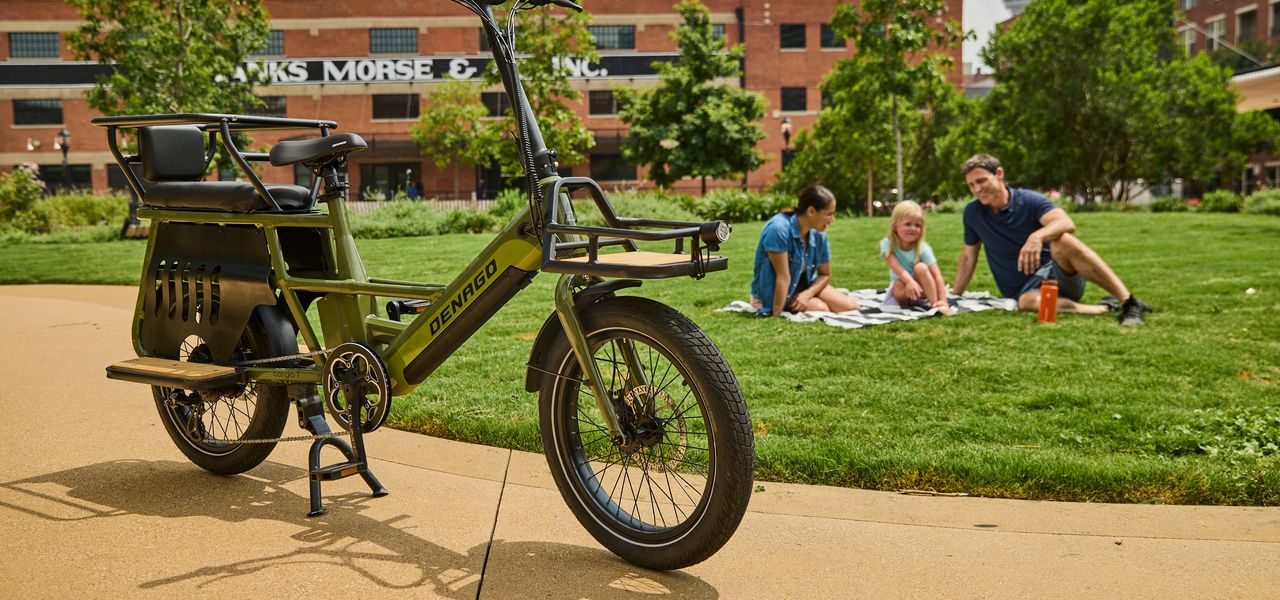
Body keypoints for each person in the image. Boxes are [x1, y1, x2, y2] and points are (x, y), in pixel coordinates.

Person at [952, 154, 1153, 326]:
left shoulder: (1029, 200)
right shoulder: (973, 213)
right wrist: (955, 296)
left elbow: (1065, 222)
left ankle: (1128, 301)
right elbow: (969, 257)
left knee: (1062, 240)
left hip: (1057, 275)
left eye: (981, 181)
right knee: (1026, 303)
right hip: (1023, 294)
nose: (977, 189)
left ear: (999, 174)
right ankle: (1105, 308)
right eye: (971, 185)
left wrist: (1037, 236)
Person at [750, 184, 860, 316]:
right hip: (775, 293)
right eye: (829, 214)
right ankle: (811, 301)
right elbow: (783, 277)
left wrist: (807, 295)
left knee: (851, 307)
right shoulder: (778, 229)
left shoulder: (819, 234)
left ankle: (814, 298)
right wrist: (775, 315)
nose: (833, 219)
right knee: (822, 309)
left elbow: (824, 275)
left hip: (804, 285)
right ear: (811, 211)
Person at [880, 200, 954, 315]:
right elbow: (896, 267)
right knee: (899, 283)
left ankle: (935, 305)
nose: (913, 228)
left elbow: (937, 276)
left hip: (921, 289)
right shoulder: (887, 244)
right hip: (902, 289)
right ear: (895, 227)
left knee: (921, 267)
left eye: (917, 225)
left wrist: (943, 300)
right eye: (908, 224)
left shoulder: (923, 248)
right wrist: (910, 282)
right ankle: (906, 305)